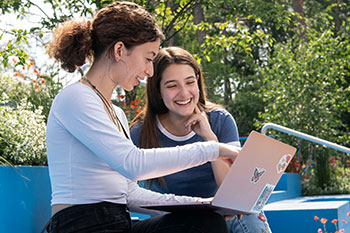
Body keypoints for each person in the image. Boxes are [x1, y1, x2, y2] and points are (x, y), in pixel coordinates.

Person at [45, 2, 241, 233]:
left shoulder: (115, 112)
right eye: (149, 58)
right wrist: (215, 149)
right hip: (80, 225)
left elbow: (129, 193)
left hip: (119, 222)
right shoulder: (75, 98)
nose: (150, 71)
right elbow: (133, 164)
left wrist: (202, 205)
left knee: (206, 221)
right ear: (119, 51)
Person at [130, 46, 272, 233]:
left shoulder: (220, 120)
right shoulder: (141, 131)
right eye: (172, 86)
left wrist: (210, 139)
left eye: (189, 82)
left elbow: (233, 192)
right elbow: (127, 191)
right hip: (173, 220)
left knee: (250, 213)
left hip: (222, 215)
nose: (184, 93)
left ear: (197, 82)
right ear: (157, 89)